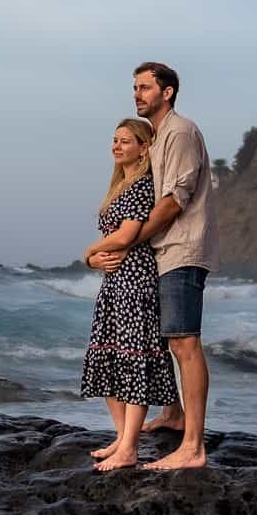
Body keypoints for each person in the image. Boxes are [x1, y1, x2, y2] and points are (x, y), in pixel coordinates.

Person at [99, 61, 216, 470]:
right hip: (164, 253)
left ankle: (193, 447)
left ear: (167, 92)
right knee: (169, 340)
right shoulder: (161, 136)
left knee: (185, 343)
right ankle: (174, 415)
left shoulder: (180, 132)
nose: (137, 94)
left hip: (182, 250)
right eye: (135, 87)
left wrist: (130, 240)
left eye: (146, 87)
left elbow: (172, 201)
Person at [80, 118, 180, 469]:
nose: (117, 146)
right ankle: (122, 439)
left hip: (136, 284)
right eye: (115, 140)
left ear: (144, 148)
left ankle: (129, 447)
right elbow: (112, 247)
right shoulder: (118, 187)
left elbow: (126, 236)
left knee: (133, 360)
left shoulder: (142, 187)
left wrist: (89, 251)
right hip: (113, 285)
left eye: (125, 141)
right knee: (107, 359)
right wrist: (95, 263)